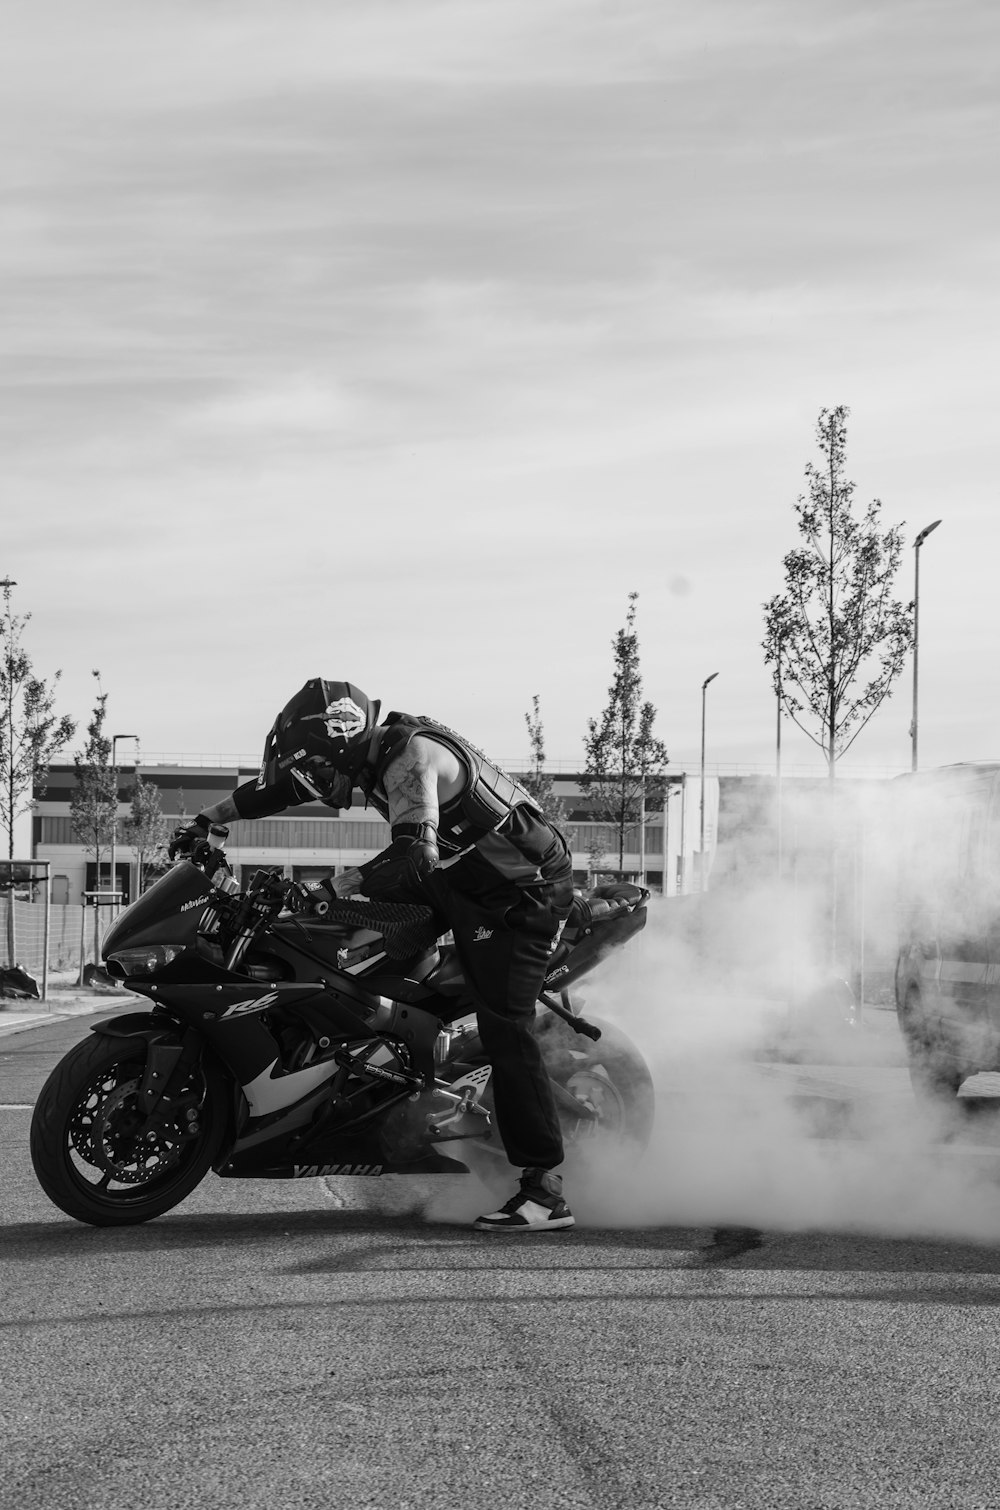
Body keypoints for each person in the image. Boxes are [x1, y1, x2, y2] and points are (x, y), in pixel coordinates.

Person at [169, 678, 576, 1232]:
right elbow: (275, 790)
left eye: (315, 769)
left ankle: (544, 1189)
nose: (311, 785)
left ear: (343, 742)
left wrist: (332, 885)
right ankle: (387, 1055)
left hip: (518, 892)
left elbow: (413, 855)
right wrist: (206, 820)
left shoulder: (412, 757)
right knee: (336, 935)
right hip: (457, 876)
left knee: (504, 1020)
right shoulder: (361, 756)